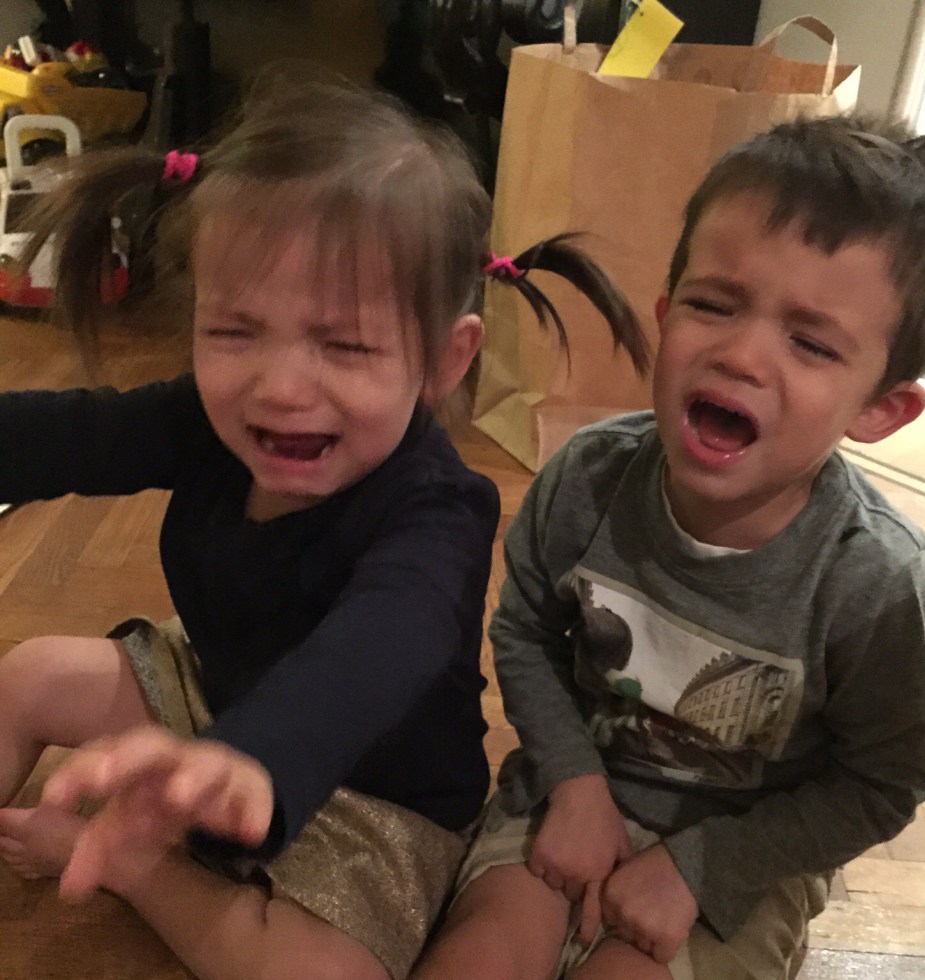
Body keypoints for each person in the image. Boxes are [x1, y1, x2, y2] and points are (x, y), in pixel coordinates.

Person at [0, 77, 649, 980]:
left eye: (343, 346)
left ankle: (135, 867)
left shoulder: (440, 507)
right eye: (234, 332)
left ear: (443, 359)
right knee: (29, 673)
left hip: (373, 796)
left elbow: (377, 646)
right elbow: (74, 435)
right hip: (214, 701)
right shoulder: (207, 419)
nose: (279, 387)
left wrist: (256, 761)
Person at [412, 114, 925, 980]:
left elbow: (881, 785)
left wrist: (701, 867)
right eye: (714, 305)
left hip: (742, 861)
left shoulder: (878, 583)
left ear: (880, 408)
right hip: (569, 794)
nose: (741, 354)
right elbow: (524, 629)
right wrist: (574, 782)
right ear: (666, 315)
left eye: (811, 342)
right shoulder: (586, 479)